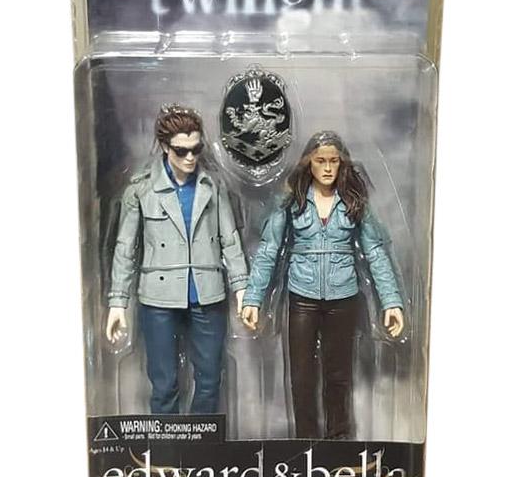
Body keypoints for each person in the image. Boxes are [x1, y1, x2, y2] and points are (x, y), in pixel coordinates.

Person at [241, 131, 404, 439]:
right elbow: (269, 250)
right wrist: (253, 298)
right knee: (301, 377)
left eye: (334, 161)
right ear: (309, 163)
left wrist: (391, 301)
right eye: (320, 161)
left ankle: (338, 439)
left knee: (338, 376)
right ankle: (305, 441)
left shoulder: (354, 202)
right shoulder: (292, 201)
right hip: (302, 297)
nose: (328, 168)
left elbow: (375, 252)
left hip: (343, 297)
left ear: (342, 164)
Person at [106, 105, 248, 414]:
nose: (190, 157)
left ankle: (204, 441)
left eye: (196, 149)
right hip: (158, 296)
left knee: (209, 380)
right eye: (181, 151)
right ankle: (166, 442)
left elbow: (230, 239)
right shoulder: (142, 189)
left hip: (206, 292)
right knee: (164, 384)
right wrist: (118, 302)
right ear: (165, 146)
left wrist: (242, 289)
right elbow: (125, 248)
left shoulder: (213, 186)